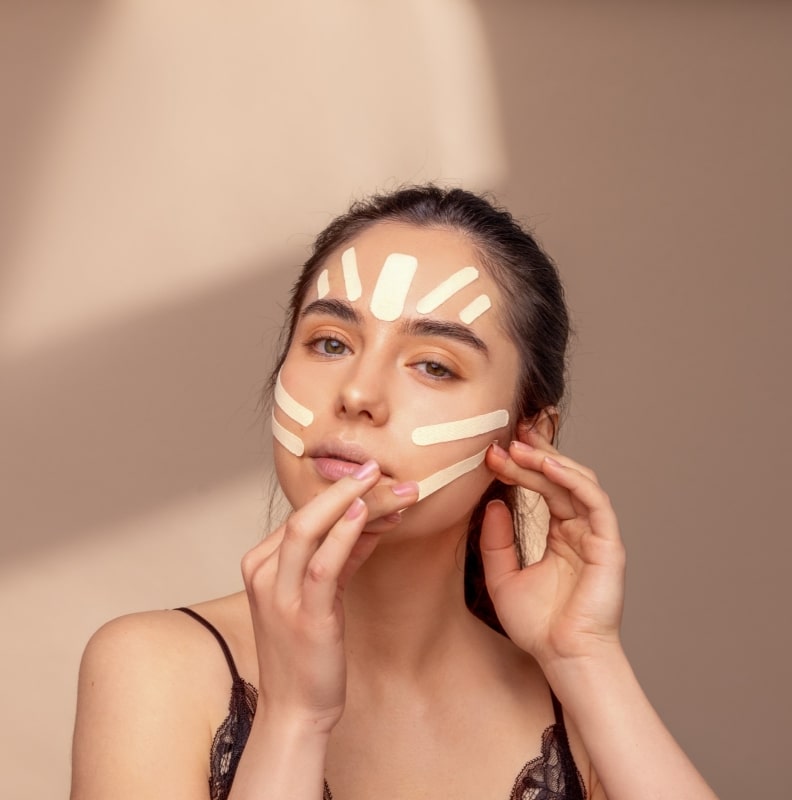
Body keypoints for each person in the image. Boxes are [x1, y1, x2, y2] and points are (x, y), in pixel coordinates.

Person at [70, 185, 718, 800]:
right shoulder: (152, 670)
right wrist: (294, 721)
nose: (357, 394)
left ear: (527, 438)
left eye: (434, 365)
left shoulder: (574, 709)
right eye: (329, 343)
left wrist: (586, 656)